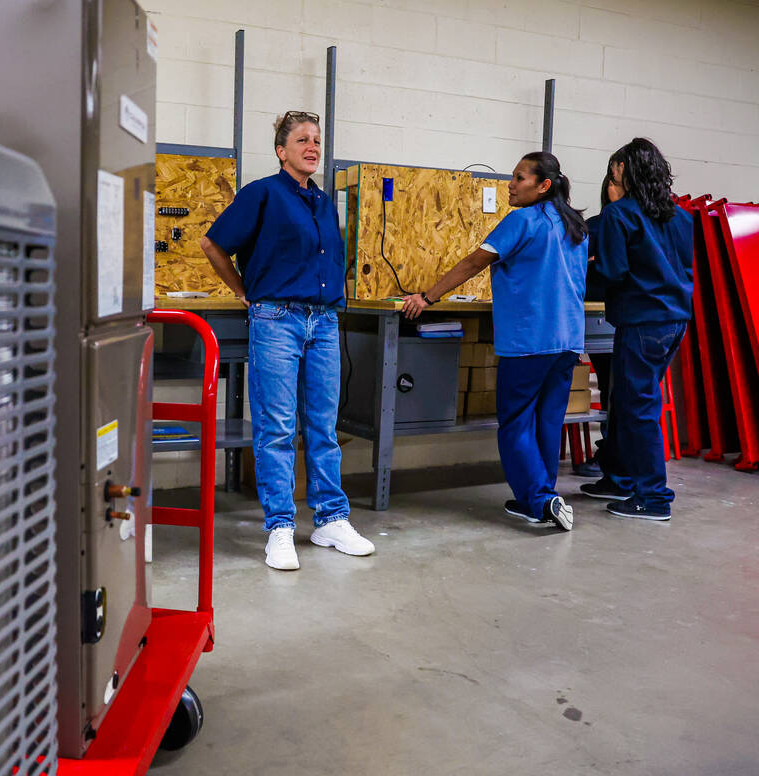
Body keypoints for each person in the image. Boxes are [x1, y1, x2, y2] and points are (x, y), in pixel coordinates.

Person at [199, 110, 373, 571]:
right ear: (281, 150)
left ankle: (330, 519)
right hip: (276, 318)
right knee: (276, 426)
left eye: (316, 140)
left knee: (323, 426)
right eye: (301, 140)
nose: (312, 147)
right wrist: (243, 292)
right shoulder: (262, 194)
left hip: (324, 322)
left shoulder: (322, 202)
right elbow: (212, 244)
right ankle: (279, 526)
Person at [403, 152, 587, 531]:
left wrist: (428, 296)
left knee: (516, 422)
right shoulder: (574, 226)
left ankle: (541, 500)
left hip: (530, 340)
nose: (511, 184)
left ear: (543, 185)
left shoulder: (521, 220)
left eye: (520, 178)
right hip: (568, 339)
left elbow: (474, 262)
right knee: (547, 421)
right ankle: (536, 496)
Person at [580, 138, 693, 521]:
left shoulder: (618, 215)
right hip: (674, 320)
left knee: (638, 408)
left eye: (615, 169)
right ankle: (623, 480)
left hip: (642, 321)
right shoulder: (680, 217)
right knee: (634, 404)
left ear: (625, 171)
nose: (612, 175)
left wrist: (586, 264)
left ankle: (653, 497)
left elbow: (613, 272)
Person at [575, 172, 627, 479]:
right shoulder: (594, 226)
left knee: (620, 390)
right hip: (595, 311)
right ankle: (610, 456)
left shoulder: (637, 226)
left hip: (623, 314)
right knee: (612, 387)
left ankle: (615, 459)